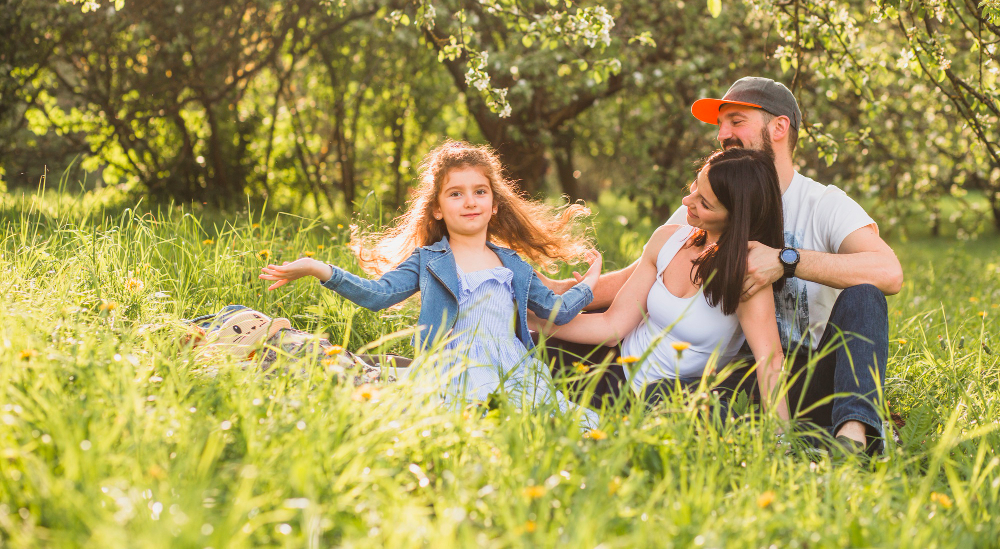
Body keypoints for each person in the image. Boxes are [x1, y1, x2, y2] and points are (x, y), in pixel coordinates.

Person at [544, 77, 903, 452]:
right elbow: (645, 276)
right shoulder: (710, 197)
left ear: (779, 127)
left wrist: (785, 260)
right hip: (733, 374)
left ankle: (854, 434)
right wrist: (560, 294)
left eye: (736, 121)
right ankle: (799, 436)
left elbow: (889, 273)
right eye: (720, 124)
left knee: (865, 296)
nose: (722, 134)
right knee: (649, 390)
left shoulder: (823, 204)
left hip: (807, 369)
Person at [257, 140, 604, 424]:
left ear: (495, 204)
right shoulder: (429, 260)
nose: (470, 201)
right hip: (453, 368)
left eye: (480, 191)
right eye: (455, 194)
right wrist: (321, 269)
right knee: (472, 424)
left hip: (513, 366)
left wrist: (587, 286)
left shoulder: (513, 264)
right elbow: (379, 295)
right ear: (437, 208)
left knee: (561, 424)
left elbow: (556, 311)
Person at [534, 148, 790, 422]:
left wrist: (781, 437)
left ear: (735, 217)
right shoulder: (667, 240)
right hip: (616, 365)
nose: (687, 200)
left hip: (667, 397)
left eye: (704, 203)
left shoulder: (746, 276)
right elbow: (612, 326)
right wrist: (536, 320)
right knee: (524, 344)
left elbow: (770, 359)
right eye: (695, 185)